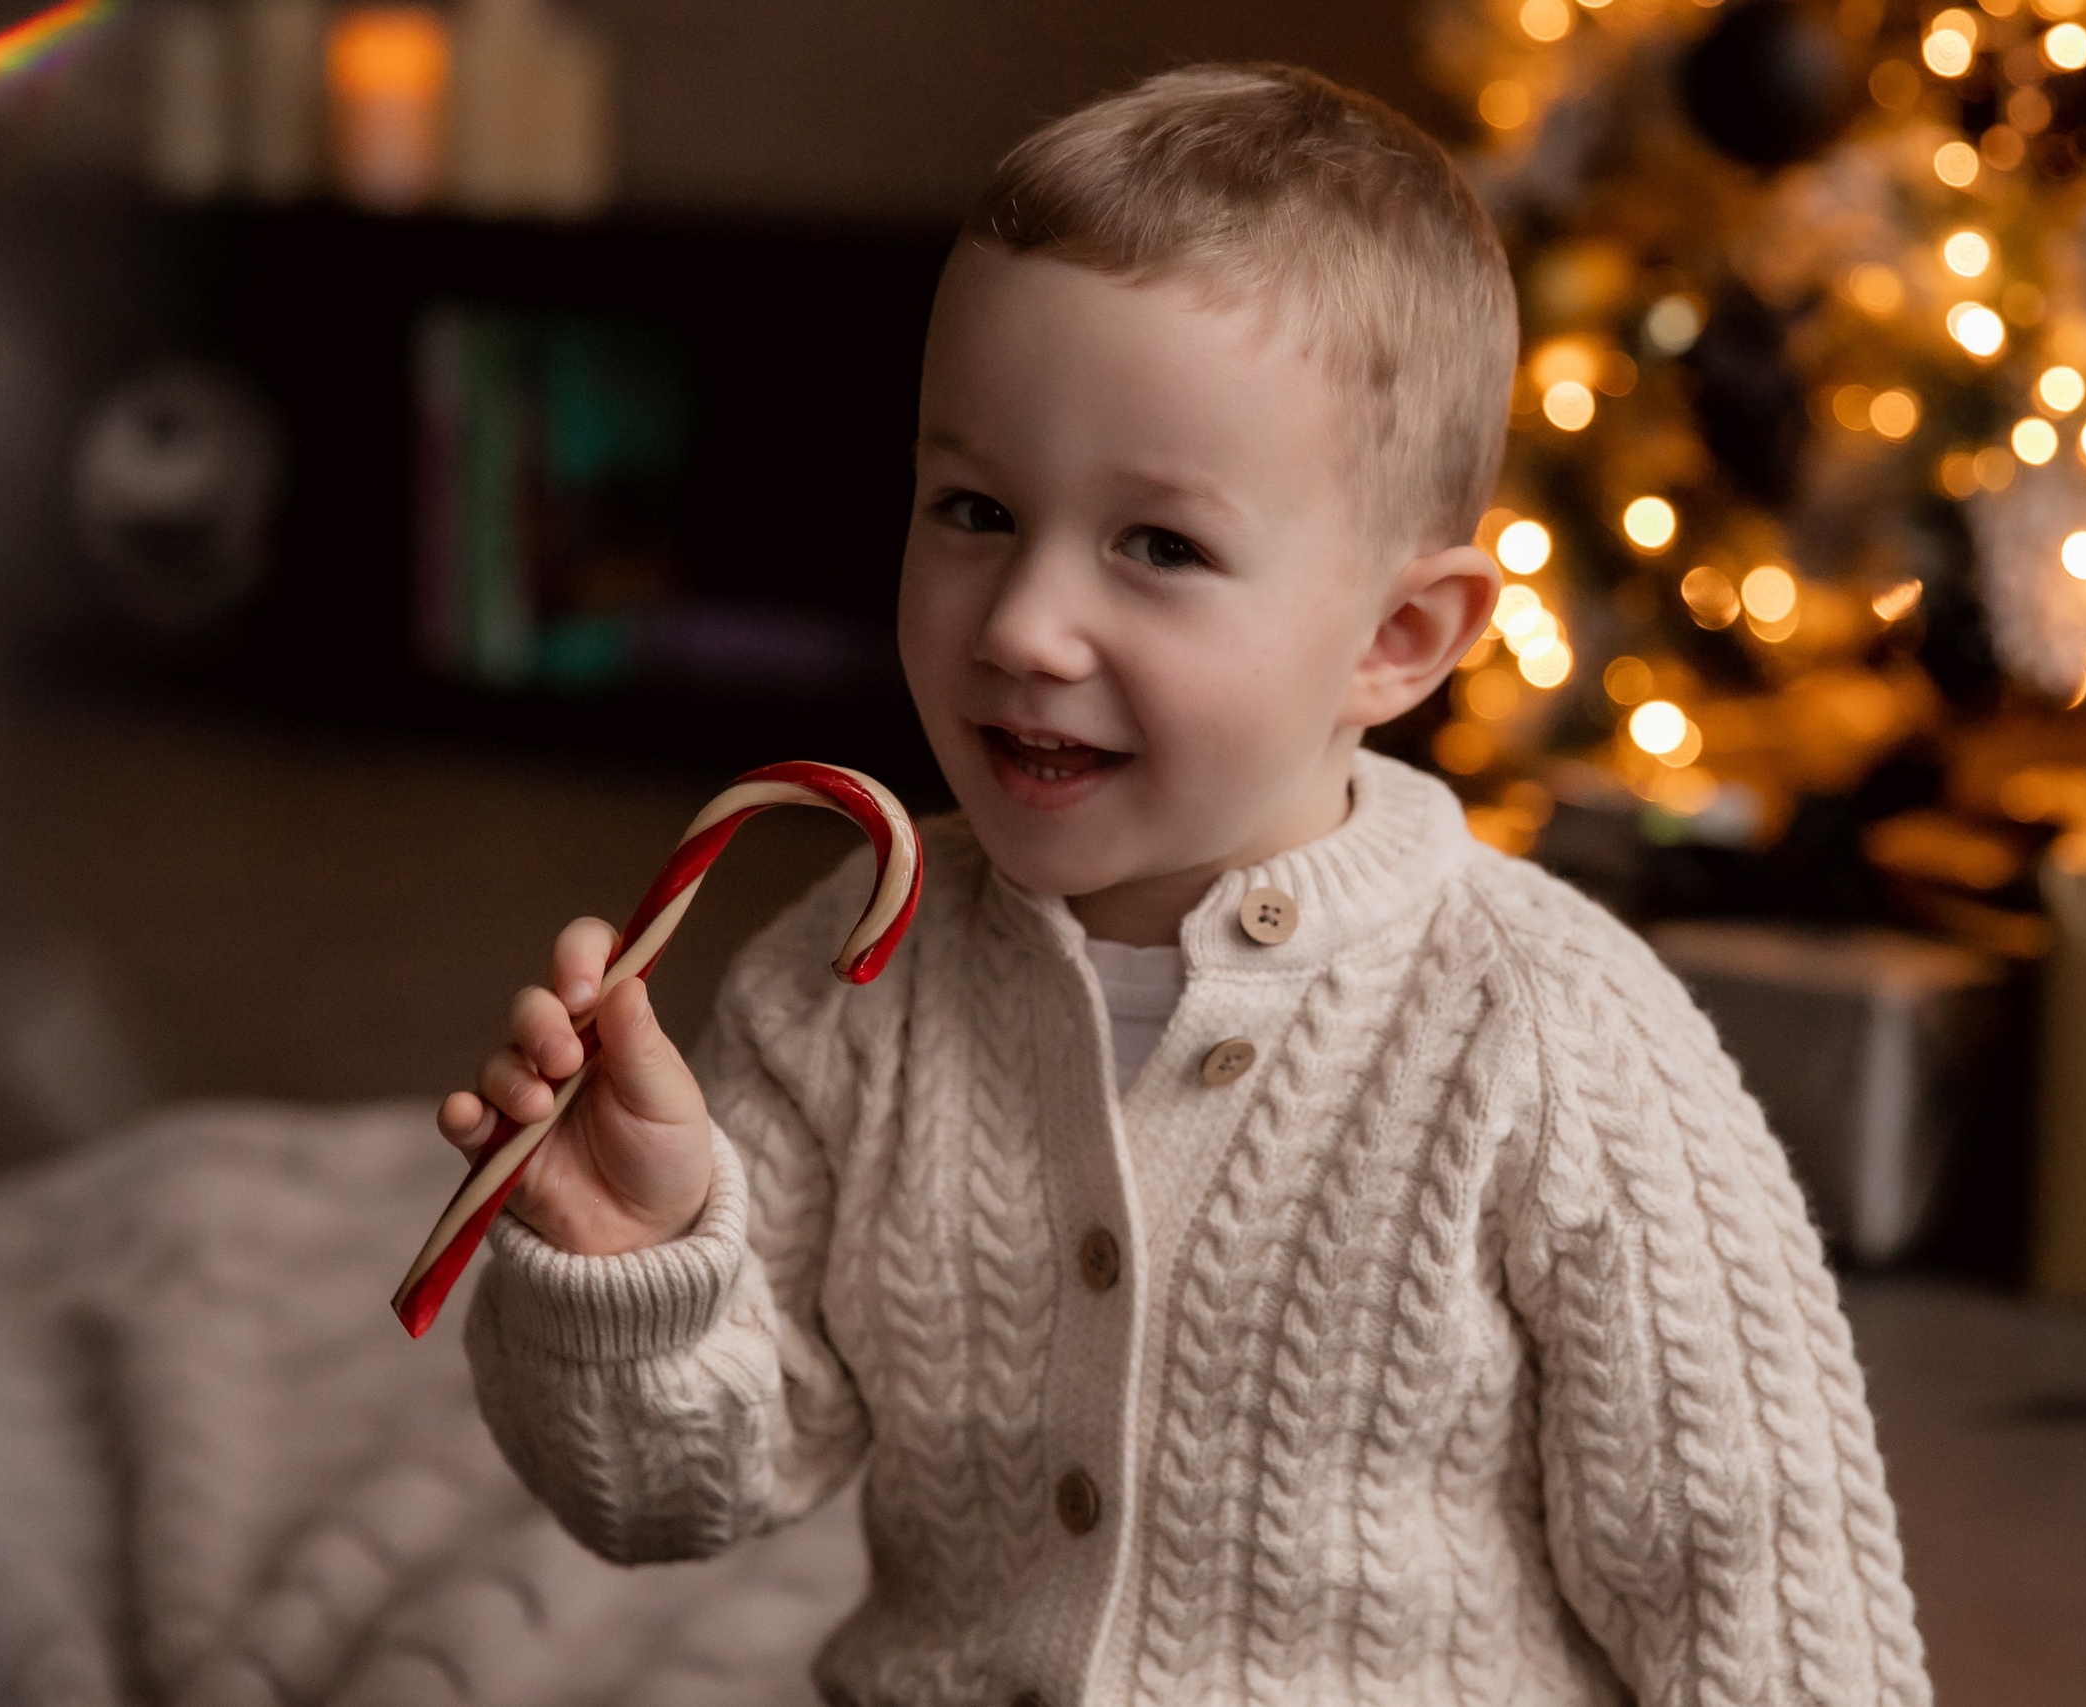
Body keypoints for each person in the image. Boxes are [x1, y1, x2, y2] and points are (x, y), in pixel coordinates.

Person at [441, 63, 1930, 1707]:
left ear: (1396, 640)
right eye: (975, 509)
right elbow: (675, 1496)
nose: (1023, 626)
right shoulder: (846, 983)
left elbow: (1773, 1614)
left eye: (1158, 546)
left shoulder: (1559, 1042)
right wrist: (631, 1258)